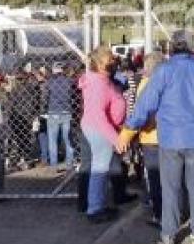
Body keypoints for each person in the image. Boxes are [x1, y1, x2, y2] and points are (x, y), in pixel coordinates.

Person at [119, 30, 194, 244]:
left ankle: (169, 236)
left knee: (170, 188)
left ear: (172, 47)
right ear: (191, 47)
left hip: (169, 139)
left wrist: (128, 129)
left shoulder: (163, 71)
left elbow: (145, 104)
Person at [78, 46, 126, 223]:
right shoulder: (98, 83)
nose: (114, 62)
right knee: (99, 169)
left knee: (101, 169)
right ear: (99, 63)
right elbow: (98, 115)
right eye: (110, 59)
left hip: (100, 128)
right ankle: (96, 209)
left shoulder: (101, 80)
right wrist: (115, 138)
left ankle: (98, 205)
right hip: (101, 130)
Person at [118, 51, 165, 227]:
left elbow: (140, 113)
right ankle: (176, 211)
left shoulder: (145, 84)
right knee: (171, 178)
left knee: (154, 178)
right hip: (169, 137)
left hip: (150, 137)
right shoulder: (171, 81)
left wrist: (128, 135)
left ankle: (159, 214)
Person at [45, 63, 76, 169]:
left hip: (53, 112)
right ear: (62, 70)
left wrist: (43, 110)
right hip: (66, 112)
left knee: (52, 140)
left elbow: (45, 97)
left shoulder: (49, 82)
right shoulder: (69, 81)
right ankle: (69, 163)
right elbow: (74, 95)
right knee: (68, 139)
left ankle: (54, 164)